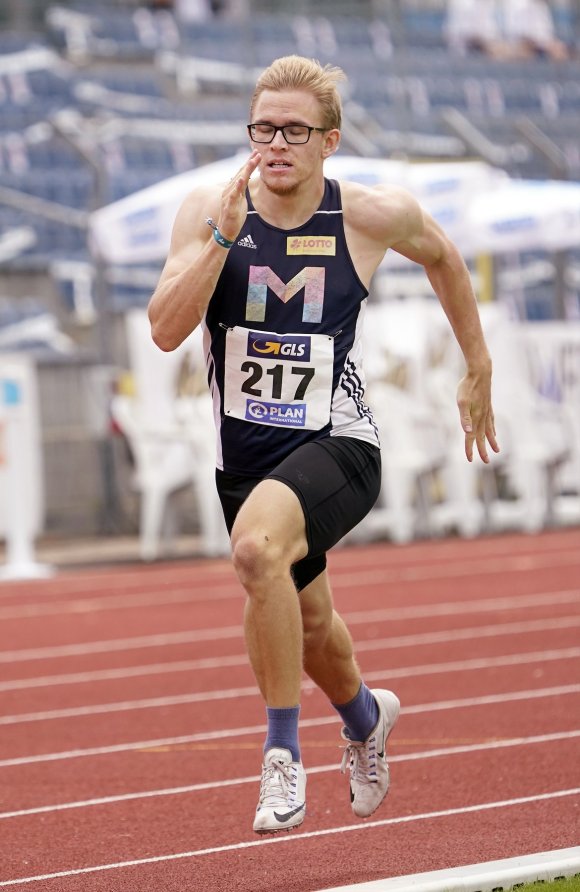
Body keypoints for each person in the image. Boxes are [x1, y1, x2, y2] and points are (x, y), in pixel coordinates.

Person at [148, 55, 499, 835]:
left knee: (255, 553)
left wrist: (477, 364)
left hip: (339, 441)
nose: (276, 144)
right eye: (262, 128)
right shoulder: (207, 211)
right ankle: (366, 716)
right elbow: (167, 329)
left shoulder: (368, 215)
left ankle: (281, 756)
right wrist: (219, 241)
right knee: (309, 629)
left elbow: (443, 255)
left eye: (294, 131)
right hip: (243, 460)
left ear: (328, 141)